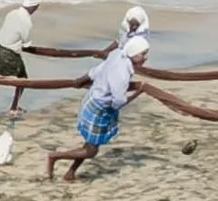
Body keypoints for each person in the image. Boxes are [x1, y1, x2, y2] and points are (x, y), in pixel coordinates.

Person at [46, 35, 147, 182]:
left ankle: (70, 173)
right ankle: (55, 157)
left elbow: (97, 71)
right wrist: (138, 92)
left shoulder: (117, 54)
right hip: (99, 109)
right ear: (133, 53)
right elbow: (119, 101)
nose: (145, 57)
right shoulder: (122, 73)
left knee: (91, 143)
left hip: (93, 98)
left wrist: (80, 80)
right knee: (91, 151)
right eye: (143, 54)